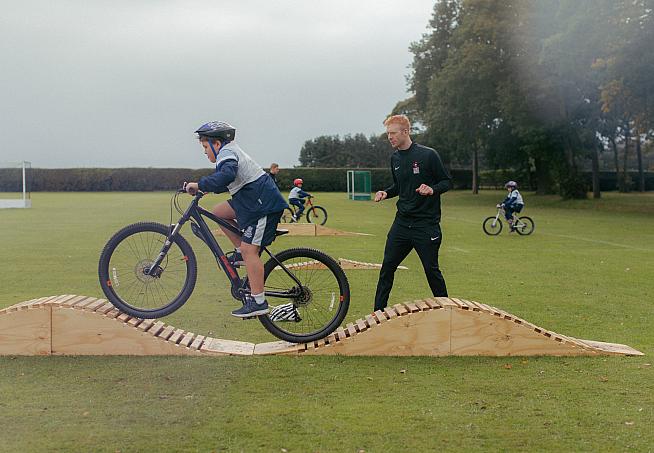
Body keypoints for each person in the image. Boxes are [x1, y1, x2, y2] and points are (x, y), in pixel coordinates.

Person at [184, 121, 288, 318]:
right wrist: (205, 188)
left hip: (262, 205)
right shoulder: (229, 152)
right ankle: (240, 251)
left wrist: (199, 184)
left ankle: (258, 302)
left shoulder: (227, 153)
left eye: (205, 147)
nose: (204, 151)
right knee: (218, 212)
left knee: (251, 251)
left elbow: (227, 175)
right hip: (250, 201)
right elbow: (228, 181)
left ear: (216, 143)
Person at [373, 115, 452, 311]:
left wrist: (432, 189)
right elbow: (399, 186)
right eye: (388, 133)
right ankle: (377, 314)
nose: (389, 137)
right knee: (387, 268)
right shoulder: (395, 158)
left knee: (431, 271)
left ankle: (446, 311)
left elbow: (446, 182)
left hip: (425, 225)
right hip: (401, 224)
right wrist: (386, 192)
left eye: (393, 133)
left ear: (405, 132)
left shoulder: (428, 155)